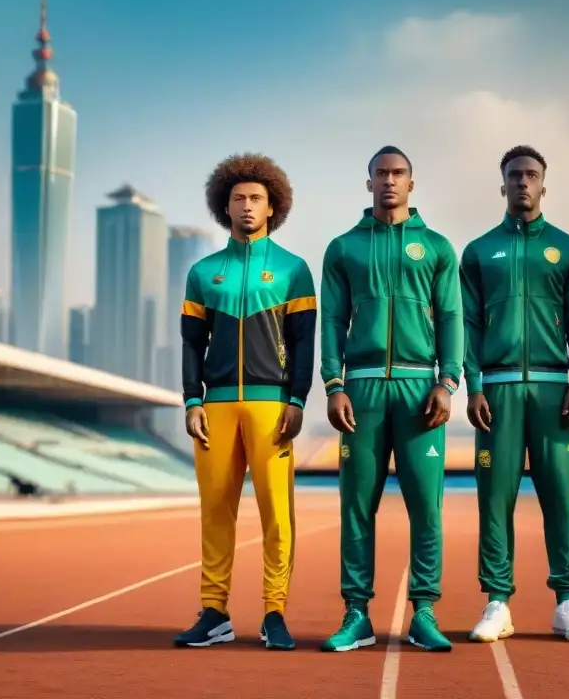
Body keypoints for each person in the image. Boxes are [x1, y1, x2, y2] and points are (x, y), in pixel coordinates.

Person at [318, 145, 464, 653]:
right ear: (368, 183)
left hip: (419, 389)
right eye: (380, 173)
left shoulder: (439, 248)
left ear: (411, 183)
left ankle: (424, 611)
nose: (389, 181)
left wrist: (449, 383)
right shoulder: (343, 248)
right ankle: (356, 614)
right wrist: (333, 384)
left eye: (398, 173)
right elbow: (333, 321)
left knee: (427, 507)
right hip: (359, 388)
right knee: (357, 507)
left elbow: (450, 318)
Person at [173, 153, 316, 651]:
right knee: (215, 512)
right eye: (238, 198)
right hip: (215, 408)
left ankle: (274, 612)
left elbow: (303, 342)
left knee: (278, 513)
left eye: (256, 198)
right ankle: (214, 612)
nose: (248, 206)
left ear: (273, 206)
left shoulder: (293, 270)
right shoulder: (203, 272)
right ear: (224, 207)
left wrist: (297, 398)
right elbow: (192, 342)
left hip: (270, 405)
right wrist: (193, 400)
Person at [459, 145, 569, 643]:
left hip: (552, 390)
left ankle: (567, 602)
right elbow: (467, 323)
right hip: (495, 391)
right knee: (495, 500)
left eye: (531, 175)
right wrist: (473, 384)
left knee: (559, 498)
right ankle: (497, 601)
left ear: (544, 185)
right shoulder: (478, 251)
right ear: (503, 185)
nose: (522, 182)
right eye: (514, 175)